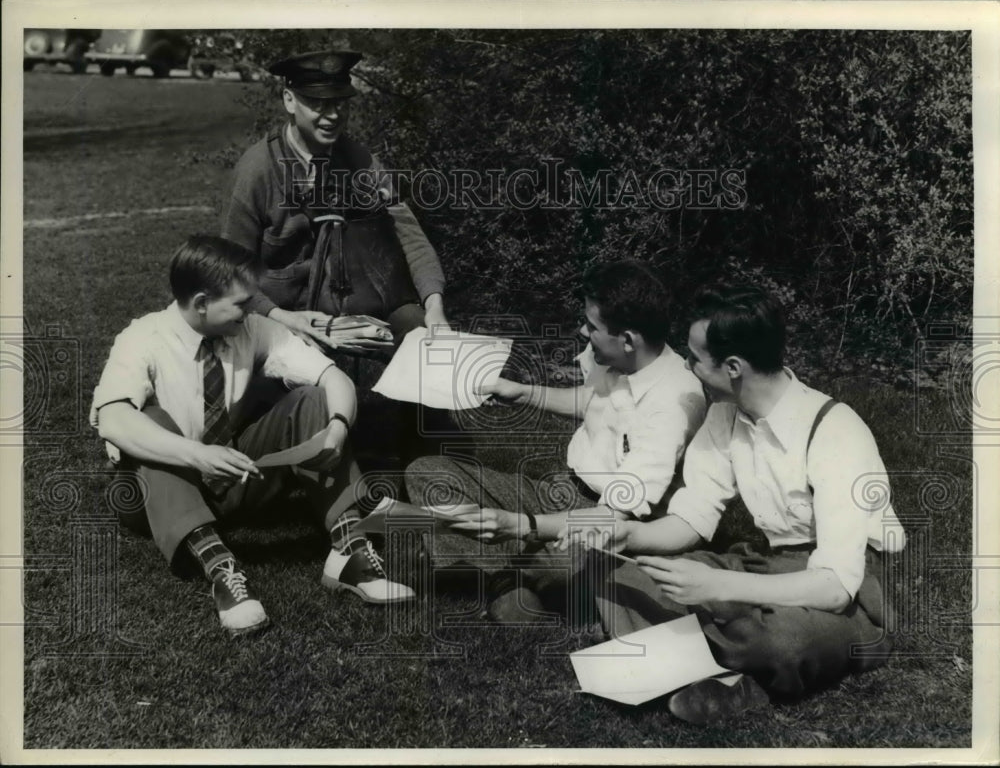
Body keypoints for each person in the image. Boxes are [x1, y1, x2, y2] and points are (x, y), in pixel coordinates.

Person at [568, 284, 907, 723]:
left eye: (692, 358)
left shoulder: (837, 431)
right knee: (626, 575)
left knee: (785, 638)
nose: (685, 366)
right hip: (771, 563)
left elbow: (834, 584)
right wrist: (631, 534)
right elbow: (693, 516)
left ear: (732, 367)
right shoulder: (724, 415)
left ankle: (737, 666)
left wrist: (716, 587)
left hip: (849, 583)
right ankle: (728, 665)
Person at [91, 235, 416, 638]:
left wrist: (337, 427)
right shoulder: (142, 337)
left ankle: (349, 549)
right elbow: (114, 421)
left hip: (229, 477)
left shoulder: (253, 329)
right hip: (153, 495)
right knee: (149, 419)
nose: (251, 311)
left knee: (312, 398)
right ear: (201, 302)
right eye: (241, 303)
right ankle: (221, 568)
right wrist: (195, 454)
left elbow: (331, 377)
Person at [405, 261, 706, 622]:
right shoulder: (615, 359)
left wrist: (522, 524)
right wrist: (521, 393)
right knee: (427, 473)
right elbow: (590, 400)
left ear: (628, 340)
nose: (583, 331)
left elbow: (610, 519)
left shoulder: (675, 400)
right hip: (558, 491)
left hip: (606, 525)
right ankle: (512, 580)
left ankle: (509, 576)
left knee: (567, 564)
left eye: (592, 327)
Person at [220, 48, 450, 354]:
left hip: (357, 305)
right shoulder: (257, 171)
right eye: (317, 103)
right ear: (289, 100)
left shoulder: (361, 162)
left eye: (340, 103)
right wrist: (280, 317)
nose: (332, 115)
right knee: (316, 389)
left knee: (429, 341)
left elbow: (411, 238)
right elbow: (230, 270)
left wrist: (434, 306)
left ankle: (421, 400)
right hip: (278, 315)